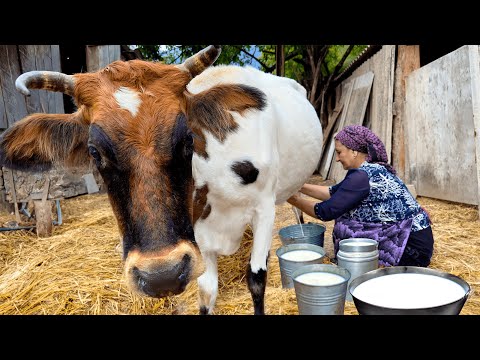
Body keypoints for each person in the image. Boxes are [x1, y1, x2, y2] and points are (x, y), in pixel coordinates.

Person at [287, 125, 434, 267]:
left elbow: (325, 211)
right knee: (347, 219)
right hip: (416, 242)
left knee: (346, 223)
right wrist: (298, 186)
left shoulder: (362, 176)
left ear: (354, 152)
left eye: (339, 152)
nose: (337, 159)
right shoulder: (370, 170)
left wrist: (293, 199)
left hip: (411, 251)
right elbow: (333, 192)